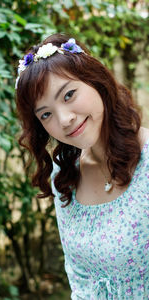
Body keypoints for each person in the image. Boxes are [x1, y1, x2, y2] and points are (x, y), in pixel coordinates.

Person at [15, 33, 149, 299]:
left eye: (69, 95)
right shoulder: (64, 176)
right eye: (46, 114)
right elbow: (78, 278)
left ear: (95, 81)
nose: (64, 120)